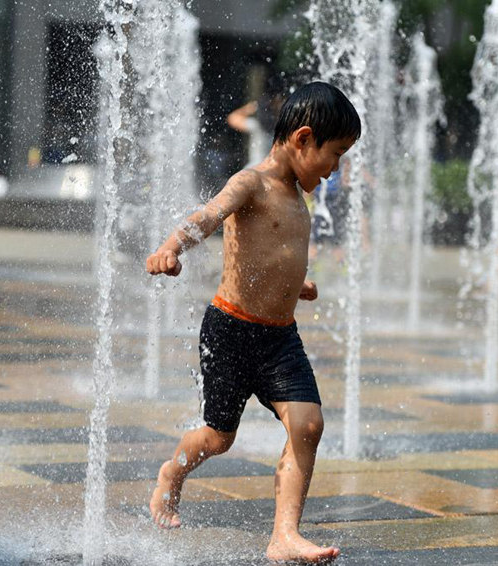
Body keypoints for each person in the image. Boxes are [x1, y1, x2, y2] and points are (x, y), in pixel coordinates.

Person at [146, 81, 360, 564]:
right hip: (231, 330)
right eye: (336, 154)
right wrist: (170, 248)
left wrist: (293, 284)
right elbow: (206, 217)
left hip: (280, 336)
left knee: (307, 424)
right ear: (304, 139)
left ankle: (284, 535)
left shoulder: (297, 194)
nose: (336, 169)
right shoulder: (252, 183)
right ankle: (172, 474)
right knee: (218, 437)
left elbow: (275, 251)